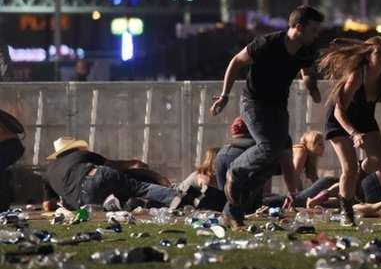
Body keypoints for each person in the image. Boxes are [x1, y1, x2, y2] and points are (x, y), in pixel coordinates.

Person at [210, 5, 324, 229]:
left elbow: (308, 73)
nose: (316, 35)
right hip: (254, 103)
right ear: (298, 27)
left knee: (276, 157)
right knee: (270, 146)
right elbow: (236, 62)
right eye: (312, 30)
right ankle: (236, 170)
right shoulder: (267, 44)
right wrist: (224, 95)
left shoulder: (307, 50)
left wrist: (312, 88)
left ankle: (232, 213)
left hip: (278, 107)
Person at [318, 36, 381, 226]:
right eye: (379, 53)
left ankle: (355, 178)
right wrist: (354, 134)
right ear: (368, 55)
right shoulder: (357, 74)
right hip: (340, 120)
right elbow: (339, 112)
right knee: (349, 167)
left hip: (364, 118)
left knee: (380, 159)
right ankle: (346, 209)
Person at [41, 137, 180, 210]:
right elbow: (113, 166)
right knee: (141, 188)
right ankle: (179, 198)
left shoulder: (48, 172)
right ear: (73, 147)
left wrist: (64, 200)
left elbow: (47, 205)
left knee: (113, 203)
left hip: (86, 202)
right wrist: (134, 163)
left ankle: (128, 204)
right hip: (95, 176)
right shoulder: (80, 154)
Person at [263, 130, 338, 208]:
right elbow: (294, 176)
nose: (323, 148)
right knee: (265, 199)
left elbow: (315, 181)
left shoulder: (311, 158)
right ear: (311, 143)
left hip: (268, 173)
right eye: (320, 144)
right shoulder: (301, 150)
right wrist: (301, 195)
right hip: (264, 172)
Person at [213, 117, 256, 190]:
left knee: (223, 193)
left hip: (220, 156)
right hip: (239, 155)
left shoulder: (227, 145)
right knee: (246, 195)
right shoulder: (254, 143)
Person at [0, 109, 25, 211]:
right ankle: (3, 204)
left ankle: (3, 205)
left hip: (8, 145)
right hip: (11, 145)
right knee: (2, 174)